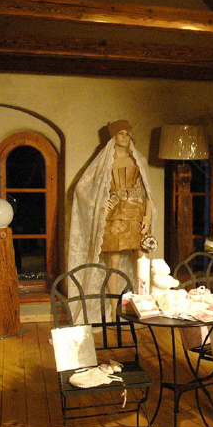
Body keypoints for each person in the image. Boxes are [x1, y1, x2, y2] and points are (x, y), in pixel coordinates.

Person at [68, 120, 155, 309]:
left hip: (136, 214)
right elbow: (81, 187)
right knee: (113, 262)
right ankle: (115, 310)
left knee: (142, 259)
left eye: (127, 133)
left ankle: (143, 307)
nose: (125, 137)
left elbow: (148, 192)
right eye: (121, 133)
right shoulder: (105, 161)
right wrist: (98, 203)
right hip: (114, 215)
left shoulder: (138, 160)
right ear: (113, 136)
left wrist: (147, 218)